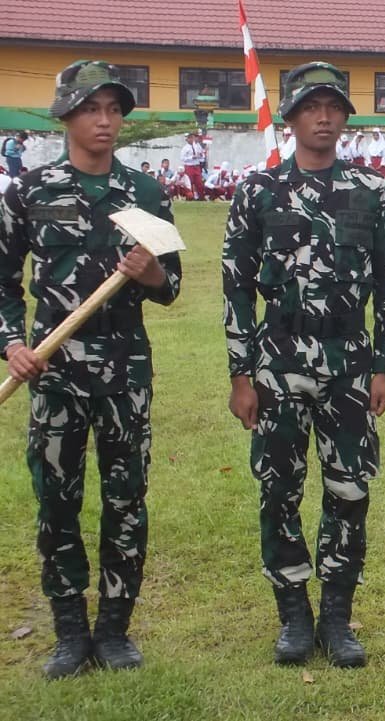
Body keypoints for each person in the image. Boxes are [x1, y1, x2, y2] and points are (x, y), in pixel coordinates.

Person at [0, 60, 182, 678]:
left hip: (125, 368)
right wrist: (10, 345)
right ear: (66, 116)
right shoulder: (28, 191)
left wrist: (150, 271)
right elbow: (2, 285)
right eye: (90, 109)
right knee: (57, 498)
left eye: (112, 110)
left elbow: (171, 288)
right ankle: (69, 630)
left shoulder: (148, 195)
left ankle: (114, 629)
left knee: (126, 497)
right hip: (51, 371)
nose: (104, 121)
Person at [221, 61, 385, 669]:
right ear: (292, 117)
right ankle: (293, 615)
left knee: (349, 487)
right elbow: (236, 288)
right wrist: (239, 374)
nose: (324, 117)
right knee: (278, 487)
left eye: (333, 107)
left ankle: (337, 615)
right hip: (276, 361)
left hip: (349, 363)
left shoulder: (373, 192)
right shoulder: (258, 192)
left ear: (345, 117)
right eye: (311, 107)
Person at [180, 131, 206, 200]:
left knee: (199, 182)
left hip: (196, 165)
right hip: (189, 166)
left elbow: (202, 155)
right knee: (189, 182)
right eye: (189, 138)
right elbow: (182, 158)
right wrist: (191, 157)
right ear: (187, 139)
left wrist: (201, 155)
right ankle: (190, 196)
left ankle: (201, 197)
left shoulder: (197, 146)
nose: (191, 139)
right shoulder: (185, 148)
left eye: (192, 138)